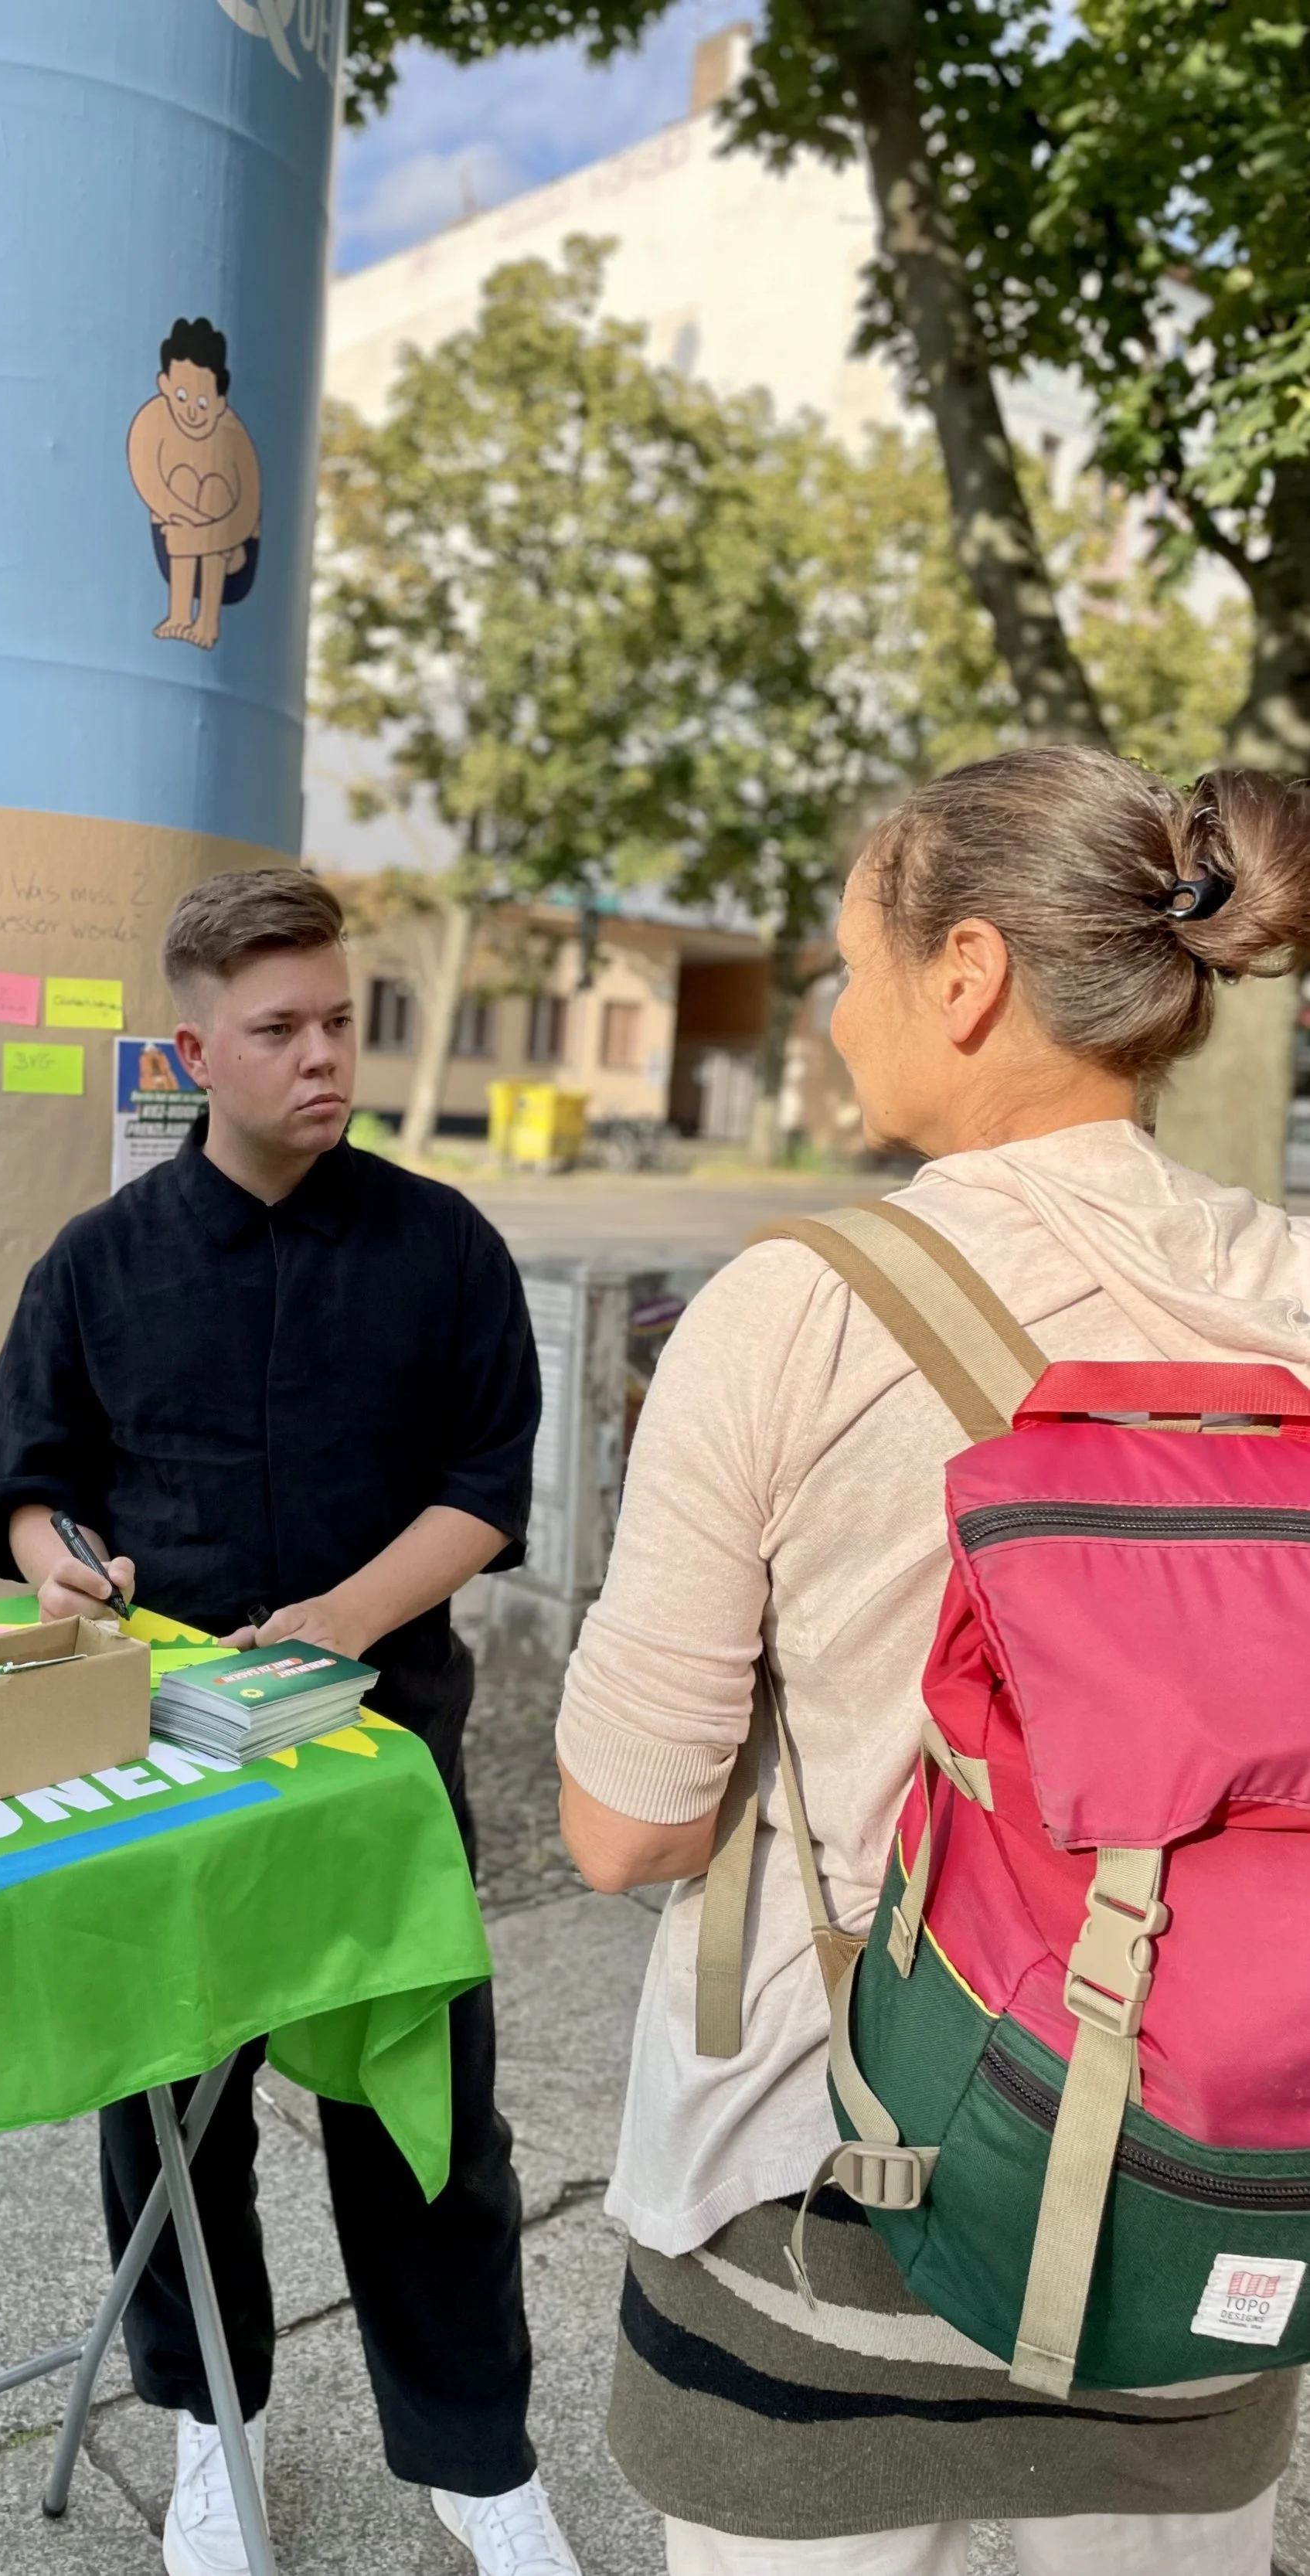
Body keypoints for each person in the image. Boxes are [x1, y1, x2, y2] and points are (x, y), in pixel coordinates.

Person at [555, 747, 1310, 2576]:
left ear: (964, 974)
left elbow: (623, 1830)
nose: (827, 1014)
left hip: (826, 2211)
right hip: (1206, 2198)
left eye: (844, 963)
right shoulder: (1294, 1291)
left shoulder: (787, 1313)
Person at [0, 869, 579, 2576]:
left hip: (379, 1756)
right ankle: (206, 2428)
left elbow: (484, 1493)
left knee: (425, 2117)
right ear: (193, 1049)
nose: (323, 1058)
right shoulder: (95, 1262)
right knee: (169, 2104)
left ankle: (477, 2457)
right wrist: (57, 1564)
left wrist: (335, 1623)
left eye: (341, 1022)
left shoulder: (442, 1243)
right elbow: (25, 1475)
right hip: (157, 1764)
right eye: (278, 1030)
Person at [125, 316, 263, 650]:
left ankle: (207, 621)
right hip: (172, 539)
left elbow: (247, 508)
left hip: (234, 553)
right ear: (165, 384)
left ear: (218, 404)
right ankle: (179, 614)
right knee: (186, 482)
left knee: (214, 488)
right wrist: (182, 519)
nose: (191, 412)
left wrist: (200, 531)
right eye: (183, 396)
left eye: (202, 404)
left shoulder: (235, 436)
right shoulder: (152, 420)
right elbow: (147, 479)